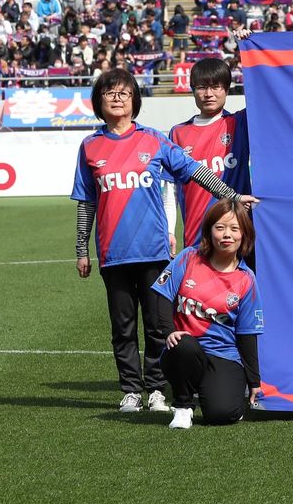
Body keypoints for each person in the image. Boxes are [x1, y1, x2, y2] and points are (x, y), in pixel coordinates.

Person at [72, 69, 257, 413]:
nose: (117, 99)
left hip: (154, 252)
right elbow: (86, 201)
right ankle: (131, 390)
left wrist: (231, 196)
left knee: (158, 326)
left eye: (124, 93)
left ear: (134, 101)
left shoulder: (154, 140)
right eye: (110, 93)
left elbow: (194, 170)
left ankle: (157, 389)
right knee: (122, 328)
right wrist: (81, 248)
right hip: (113, 254)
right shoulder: (90, 147)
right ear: (98, 101)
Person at [153, 200, 263, 429]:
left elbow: (246, 334)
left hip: (223, 354)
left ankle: (214, 391)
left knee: (222, 414)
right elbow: (162, 296)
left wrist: (254, 381)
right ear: (209, 231)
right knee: (182, 344)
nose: (227, 235)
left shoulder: (246, 279)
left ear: (244, 234)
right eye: (220, 227)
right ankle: (183, 406)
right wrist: (169, 331)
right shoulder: (188, 257)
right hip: (185, 350)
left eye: (235, 229)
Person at [166, 58, 251, 251]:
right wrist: (169, 230)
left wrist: (252, 49)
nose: (208, 94)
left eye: (216, 87)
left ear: (227, 89)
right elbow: (172, 189)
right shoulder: (178, 133)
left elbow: (266, 95)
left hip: (238, 234)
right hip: (197, 236)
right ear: (192, 90)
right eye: (202, 87)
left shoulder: (240, 122)